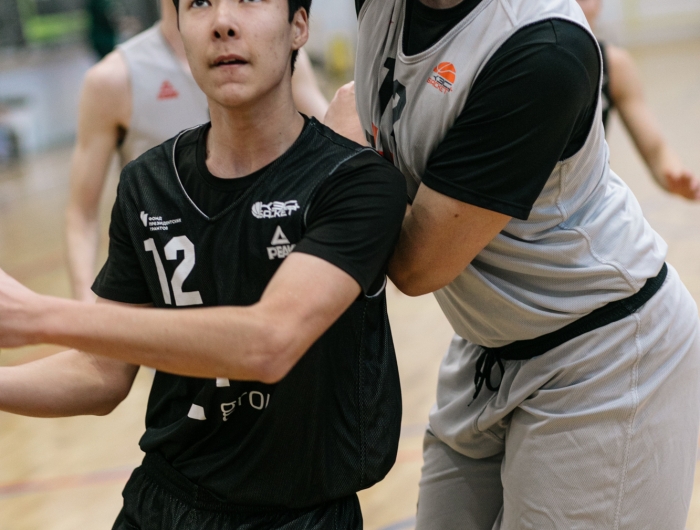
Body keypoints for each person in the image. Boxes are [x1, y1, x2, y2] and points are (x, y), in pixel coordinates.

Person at [0, 0, 407, 528]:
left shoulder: (355, 181)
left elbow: (268, 343)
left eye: (250, 0)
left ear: (298, 27)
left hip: (300, 517)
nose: (222, 22)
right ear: (179, 31)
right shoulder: (147, 182)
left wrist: (37, 316)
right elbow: (100, 372)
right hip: (160, 503)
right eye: (198, 3)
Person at [325, 0, 700, 528]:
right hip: (486, 344)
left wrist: (347, 159)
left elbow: (416, 264)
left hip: (602, 354)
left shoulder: (545, 48)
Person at [66, 0, 329, 302]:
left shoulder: (272, 54)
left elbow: (331, 147)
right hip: (180, 280)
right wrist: (84, 313)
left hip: (266, 254)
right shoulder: (113, 79)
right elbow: (82, 215)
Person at [577, 0, 700, 201]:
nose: (574, 6)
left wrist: (674, 174)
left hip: (583, 200)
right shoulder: (532, 62)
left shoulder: (615, 65)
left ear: (599, 5)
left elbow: (655, 149)